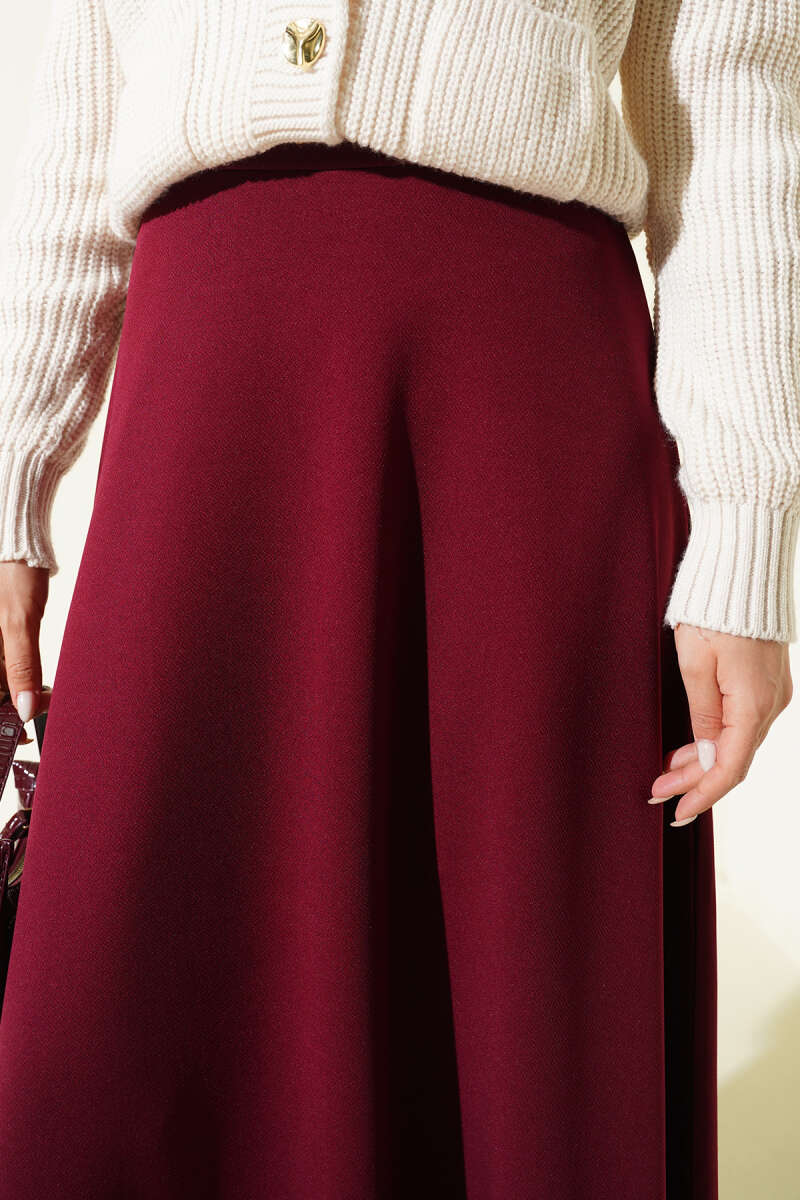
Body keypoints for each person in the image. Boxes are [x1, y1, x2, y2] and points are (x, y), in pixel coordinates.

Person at [0, 2, 797, 1196]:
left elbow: (728, 107)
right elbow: (77, 125)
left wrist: (742, 528)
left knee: (515, 979)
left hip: (519, 406)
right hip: (206, 394)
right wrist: (9, 472)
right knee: (111, 992)